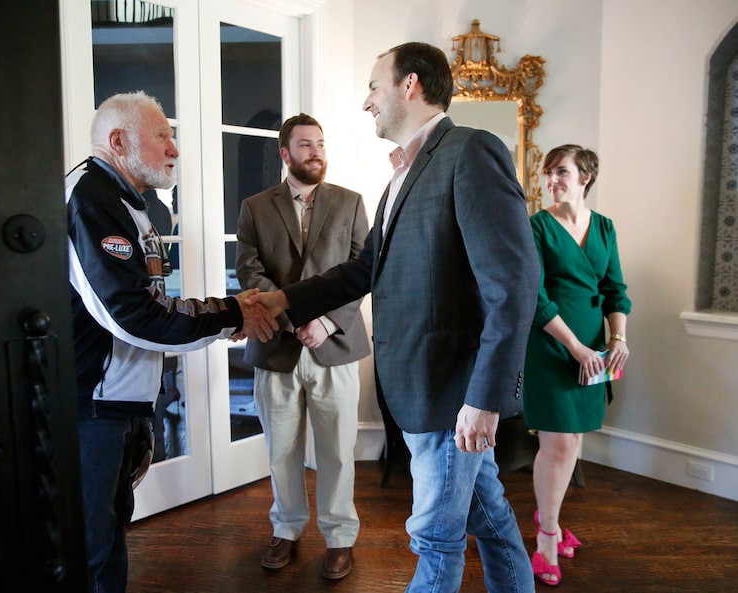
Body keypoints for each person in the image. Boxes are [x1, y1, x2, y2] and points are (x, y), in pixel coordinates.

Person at [249, 42, 539, 593]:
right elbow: (362, 271)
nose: (366, 102)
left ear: (410, 85)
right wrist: (284, 301)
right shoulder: (400, 177)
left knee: (433, 537)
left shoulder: (471, 151)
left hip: (453, 395)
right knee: (491, 518)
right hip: (419, 390)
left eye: (373, 87)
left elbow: (515, 286)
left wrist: (484, 399)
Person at [65, 90, 277, 593]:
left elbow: (149, 298)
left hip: (121, 401)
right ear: (118, 141)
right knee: (92, 548)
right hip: (91, 407)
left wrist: (227, 310)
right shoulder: (93, 201)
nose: (174, 149)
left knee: (112, 531)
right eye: (162, 135)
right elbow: (135, 314)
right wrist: (232, 312)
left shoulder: (125, 201)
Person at [235, 113, 371, 580]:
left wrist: (328, 321)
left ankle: (338, 537)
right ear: (285, 153)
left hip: (335, 346)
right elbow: (250, 273)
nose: (316, 152)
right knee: (281, 449)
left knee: (336, 450)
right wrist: (295, 318)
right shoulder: (254, 207)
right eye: (305, 145)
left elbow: (363, 271)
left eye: (321, 144)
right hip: (277, 345)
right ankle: (287, 528)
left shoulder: (352, 204)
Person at [522, 144, 631, 587]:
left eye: (561, 172)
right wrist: (575, 348)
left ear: (585, 177)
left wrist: (617, 337)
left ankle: (553, 517)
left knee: (575, 442)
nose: (552, 181)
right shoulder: (536, 227)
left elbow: (615, 290)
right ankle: (547, 536)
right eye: (548, 174)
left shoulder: (604, 228)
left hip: (594, 350)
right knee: (560, 445)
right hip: (552, 347)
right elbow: (535, 296)